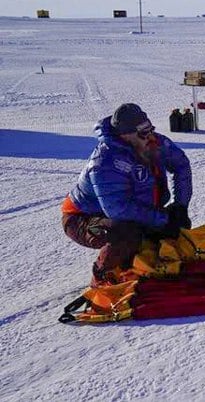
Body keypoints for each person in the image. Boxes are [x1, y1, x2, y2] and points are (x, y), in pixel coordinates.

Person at [61, 103, 193, 286]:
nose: (150, 136)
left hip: (132, 210)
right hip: (83, 218)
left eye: (150, 128)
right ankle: (102, 278)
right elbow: (119, 210)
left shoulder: (153, 142)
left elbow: (181, 165)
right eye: (143, 132)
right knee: (127, 233)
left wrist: (180, 205)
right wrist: (162, 219)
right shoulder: (105, 161)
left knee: (171, 229)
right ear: (125, 135)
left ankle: (134, 265)